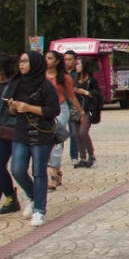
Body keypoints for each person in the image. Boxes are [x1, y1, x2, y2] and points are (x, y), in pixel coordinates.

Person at [5, 51, 60, 227]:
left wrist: (28, 107)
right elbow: (12, 112)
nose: (21, 65)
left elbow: (53, 110)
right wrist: (13, 107)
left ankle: (39, 210)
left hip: (41, 133)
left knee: (38, 172)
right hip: (21, 132)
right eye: (20, 61)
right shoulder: (16, 83)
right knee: (17, 169)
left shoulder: (45, 85)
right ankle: (32, 196)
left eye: (25, 61)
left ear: (35, 64)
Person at [45, 50, 84, 191]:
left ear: (56, 62)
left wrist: (81, 112)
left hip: (61, 109)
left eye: (50, 58)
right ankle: (54, 169)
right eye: (46, 58)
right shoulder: (41, 76)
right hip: (44, 110)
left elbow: (71, 96)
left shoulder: (64, 77)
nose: (47, 60)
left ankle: (54, 174)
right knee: (44, 141)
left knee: (56, 142)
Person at [0, 53, 20, 214]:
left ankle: (11, 197)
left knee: (8, 166)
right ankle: (9, 197)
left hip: (10, 131)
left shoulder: (13, 86)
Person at [72, 58, 101, 167]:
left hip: (87, 109)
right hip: (76, 109)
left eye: (78, 64)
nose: (76, 66)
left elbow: (98, 94)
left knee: (83, 133)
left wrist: (85, 92)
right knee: (76, 134)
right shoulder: (75, 79)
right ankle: (82, 157)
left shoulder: (91, 80)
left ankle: (91, 155)